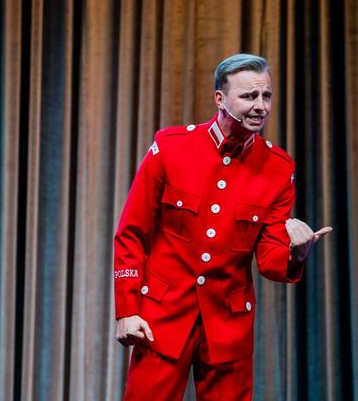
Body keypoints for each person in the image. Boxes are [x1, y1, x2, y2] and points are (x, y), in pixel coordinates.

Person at [114, 53, 332, 400]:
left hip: (228, 325)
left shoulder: (278, 168)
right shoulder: (171, 147)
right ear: (220, 98)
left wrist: (296, 254)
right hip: (162, 317)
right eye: (249, 96)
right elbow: (131, 233)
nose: (260, 106)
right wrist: (127, 310)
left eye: (267, 96)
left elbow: (269, 260)